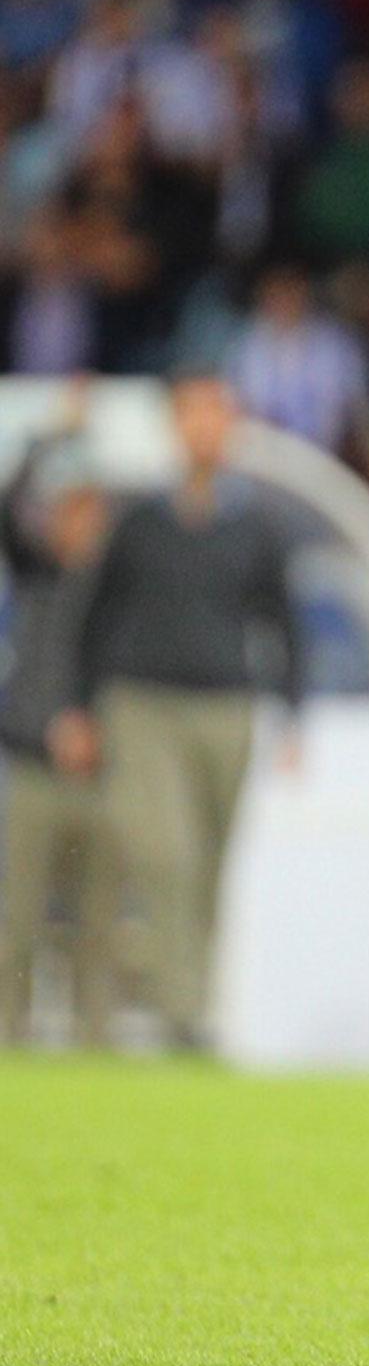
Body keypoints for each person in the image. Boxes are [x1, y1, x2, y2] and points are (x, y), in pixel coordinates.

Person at [50, 373, 302, 1049]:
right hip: (144, 706)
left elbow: (282, 621)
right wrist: (76, 707)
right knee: (167, 854)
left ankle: (194, 1006)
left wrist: (294, 711)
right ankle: (180, 1012)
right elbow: (91, 616)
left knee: (213, 859)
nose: (204, 427)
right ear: (174, 425)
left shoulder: (254, 525)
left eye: (216, 413)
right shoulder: (137, 521)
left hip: (226, 707)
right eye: (192, 414)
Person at [0, 400, 117, 1045]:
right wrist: (53, 436)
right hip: (32, 765)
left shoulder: (120, 594)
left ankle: (93, 1041)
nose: (79, 522)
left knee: (95, 921)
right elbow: (7, 504)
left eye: (89, 509)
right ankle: (9, 1038)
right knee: (19, 918)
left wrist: (94, 729)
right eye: (68, 508)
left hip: (101, 773)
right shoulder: (38, 575)